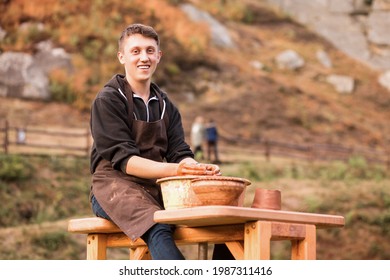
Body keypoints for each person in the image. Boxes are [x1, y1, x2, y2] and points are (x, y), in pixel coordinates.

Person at [88, 23, 222, 260]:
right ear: (122, 57)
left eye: (150, 51)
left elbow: (179, 151)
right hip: (112, 188)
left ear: (159, 56)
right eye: (136, 51)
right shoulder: (108, 100)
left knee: (222, 221)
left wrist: (196, 168)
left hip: (156, 188)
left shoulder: (166, 105)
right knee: (157, 225)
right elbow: (126, 161)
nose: (144, 58)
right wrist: (178, 170)